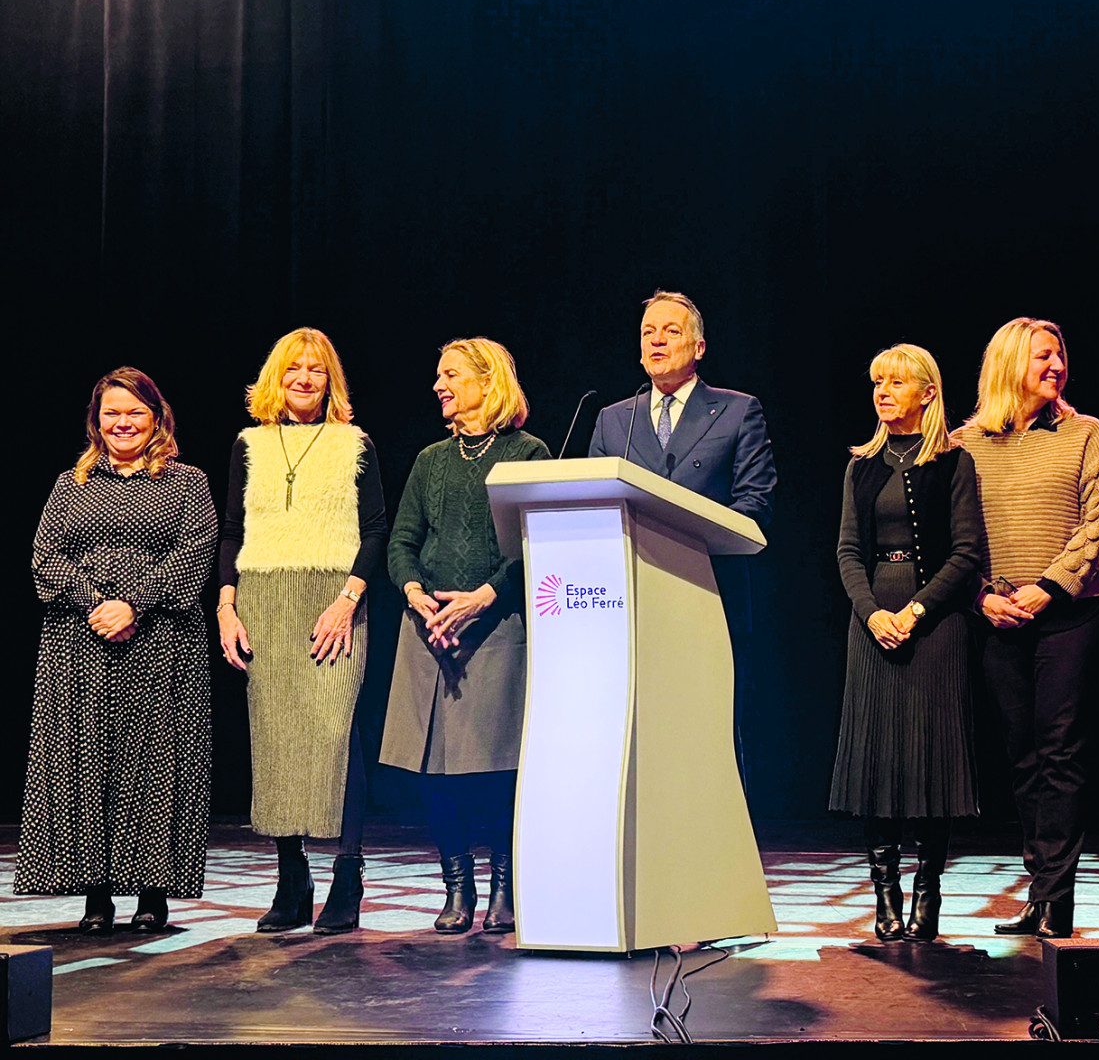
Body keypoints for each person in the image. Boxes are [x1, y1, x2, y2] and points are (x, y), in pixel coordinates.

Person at [18, 368, 217, 933]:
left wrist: (133, 602)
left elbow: (194, 555)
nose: (123, 422)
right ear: (96, 420)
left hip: (161, 642)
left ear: (157, 418)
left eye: (135, 412)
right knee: (85, 762)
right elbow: (44, 558)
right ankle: (96, 898)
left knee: (152, 762)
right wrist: (97, 605)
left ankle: (153, 896)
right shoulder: (69, 483)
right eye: (112, 412)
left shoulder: (186, 482)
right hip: (77, 643)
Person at [953, 318, 1099, 939]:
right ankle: (1040, 888)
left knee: (1061, 752)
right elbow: (951, 541)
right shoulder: (964, 444)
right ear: (1007, 365)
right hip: (998, 613)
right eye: (1042, 356)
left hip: (1071, 612)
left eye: (1060, 355)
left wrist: (1049, 586)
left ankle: (1056, 896)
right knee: (1020, 756)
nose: (1055, 366)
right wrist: (978, 597)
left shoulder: (1086, 434)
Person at [217, 329, 387, 935]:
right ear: (276, 376)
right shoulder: (249, 444)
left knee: (336, 732)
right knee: (276, 731)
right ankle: (292, 879)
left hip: (334, 595)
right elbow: (232, 531)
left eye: (318, 370)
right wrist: (226, 607)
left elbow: (375, 531)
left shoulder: (354, 443)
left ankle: (348, 873)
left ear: (330, 379)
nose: (305, 378)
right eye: (295, 369)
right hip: (263, 594)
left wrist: (347, 599)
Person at [380, 338, 551, 934]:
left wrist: (482, 598)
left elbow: (536, 542)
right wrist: (416, 596)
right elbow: (401, 541)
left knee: (496, 764)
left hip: (496, 626)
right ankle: (458, 886)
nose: (438, 385)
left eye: (449, 373)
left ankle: (505, 885)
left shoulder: (528, 453)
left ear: (487, 380)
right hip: (427, 630)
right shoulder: (430, 460)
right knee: (433, 767)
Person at [829, 344, 984, 943]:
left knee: (931, 758)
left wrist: (916, 610)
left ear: (927, 392)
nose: (883, 392)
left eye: (896, 382)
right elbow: (846, 551)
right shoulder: (859, 466)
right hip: (871, 622)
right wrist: (872, 614)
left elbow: (967, 552)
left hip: (936, 621)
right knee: (878, 760)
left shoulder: (954, 461)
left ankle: (928, 890)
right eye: (876, 383)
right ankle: (884, 891)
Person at [587, 291, 777, 766]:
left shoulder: (737, 411)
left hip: (710, 591)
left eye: (671, 331)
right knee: (644, 726)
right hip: (632, 597)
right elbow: (592, 503)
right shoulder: (614, 420)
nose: (657, 341)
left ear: (699, 347)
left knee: (710, 728)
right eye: (648, 332)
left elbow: (755, 503)